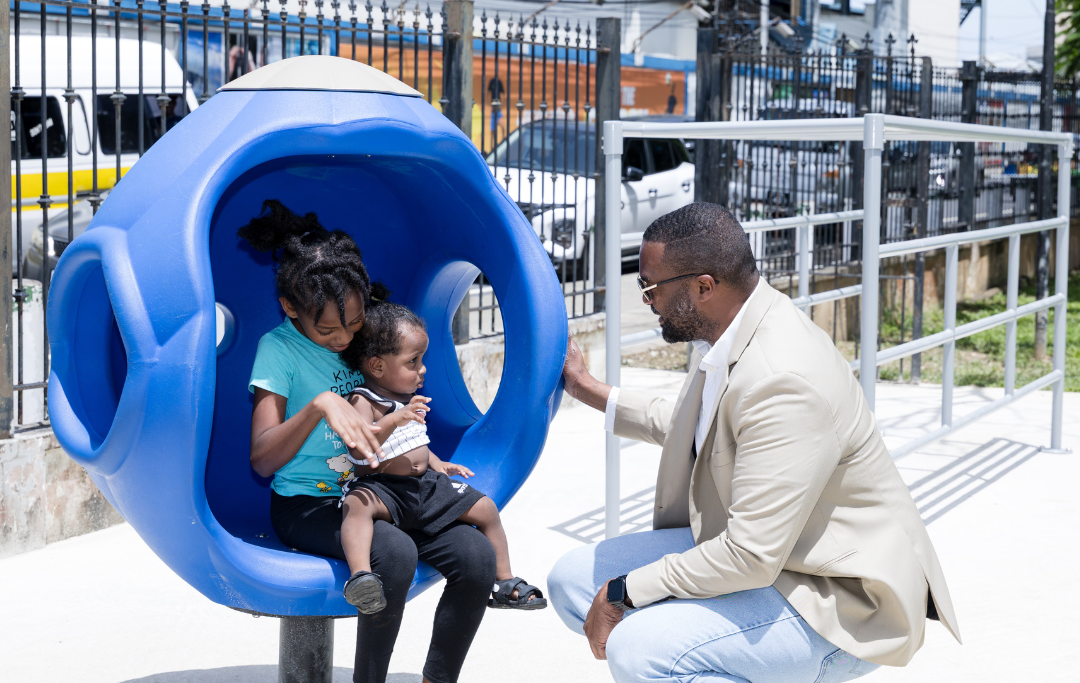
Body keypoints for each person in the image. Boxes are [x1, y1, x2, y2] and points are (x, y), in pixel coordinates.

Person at [550, 203, 961, 683]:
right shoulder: (730, 330)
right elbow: (695, 427)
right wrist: (586, 389)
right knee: (572, 580)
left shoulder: (783, 379)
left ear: (704, 286)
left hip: (837, 598)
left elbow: (749, 555)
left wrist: (626, 590)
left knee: (641, 650)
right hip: (771, 556)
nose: (645, 299)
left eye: (650, 286)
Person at [242, 200, 497, 683]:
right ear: (290, 308)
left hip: (384, 491)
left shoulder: (364, 334)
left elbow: (397, 396)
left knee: (476, 556)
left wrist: (429, 458)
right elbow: (262, 459)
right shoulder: (278, 351)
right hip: (309, 503)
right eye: (327, 330)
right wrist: (320, 405)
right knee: (395, 555)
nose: (343, 339)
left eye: (353, 323)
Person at [334, 288, 546, 614]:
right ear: (376, 366)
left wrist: (438, 463)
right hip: (382, 487)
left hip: (422, 487)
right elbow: (360, 450)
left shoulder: (408, 399)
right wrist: (394, 419)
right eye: (413, 361)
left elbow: (415, 444)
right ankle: (362, 575)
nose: (423, 369)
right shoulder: (364, 400)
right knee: (355, 505)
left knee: (486, 508)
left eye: (422, 359)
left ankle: (504, 581)